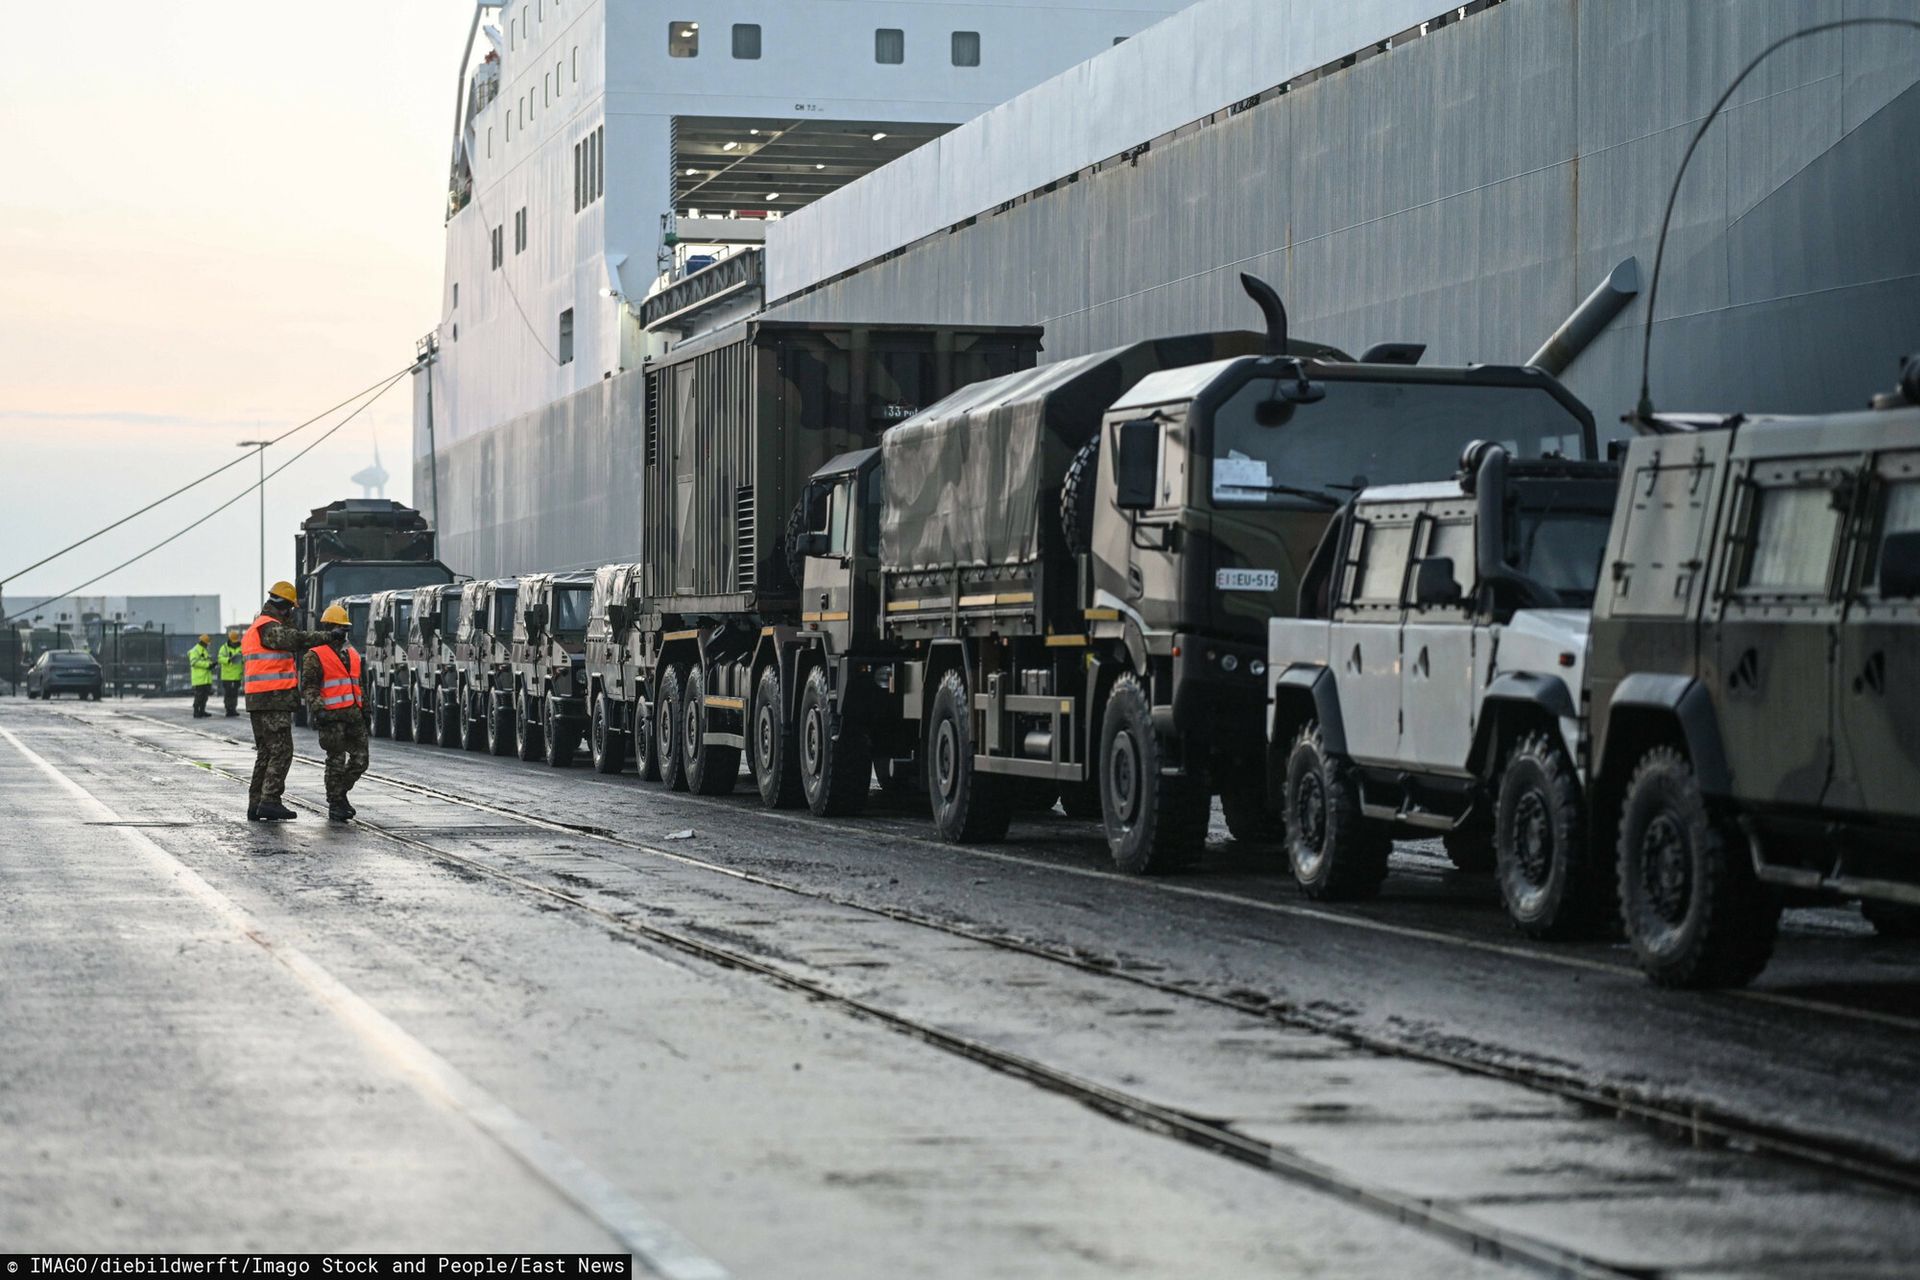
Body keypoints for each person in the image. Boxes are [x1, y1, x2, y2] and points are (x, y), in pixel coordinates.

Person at [242, 582, 329, 821]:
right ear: (285, 607)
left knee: (266, 752)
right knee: (281, 751)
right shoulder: (269, 628)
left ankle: (256, 803)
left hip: (259, 699)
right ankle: (270, 800)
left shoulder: (258, 625)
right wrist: (326, 637)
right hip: (272, 698)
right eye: (290, 608)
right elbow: (296, 640)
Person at [301, 602, 370, 823]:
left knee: (361, 760)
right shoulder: (315, 654)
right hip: (331, 716)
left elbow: (358, 684)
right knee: (336, 760)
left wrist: (365, 709)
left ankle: (339, 794)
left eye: (345, 629)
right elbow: (309, 686)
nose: (342, 633)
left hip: (354, 716)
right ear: (328, 627)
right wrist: (318, 709)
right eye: (339, 628)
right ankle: (336, 803)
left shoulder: (352, 653)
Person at [217, 629, 244, 716]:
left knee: (234, 693)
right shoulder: (224, 648)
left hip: (237, 676)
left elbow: (245, 658)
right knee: (228, 694)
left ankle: (233, 709)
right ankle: (229, 710)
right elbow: (220, 658)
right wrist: (228, 660)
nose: (234, 643)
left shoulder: (241, 647)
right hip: (227, 676)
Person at [187, 634, 214, 718]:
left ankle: (202, 711)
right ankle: (196, 711)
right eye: (207, 643)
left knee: (204, 696)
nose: (207, 645)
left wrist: (212, 664)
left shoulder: (204, 650)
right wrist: (207, 665)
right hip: (199, 678)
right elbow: (194, 662)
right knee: (199, 696)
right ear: (203, 642)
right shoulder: (195, 651)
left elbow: (205, 662)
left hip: (205, 678)